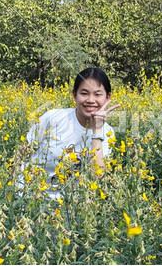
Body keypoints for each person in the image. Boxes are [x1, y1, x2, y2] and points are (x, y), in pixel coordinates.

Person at [19, 67, 120, 199]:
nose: (90, 100)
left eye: (98, 94)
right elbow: (21, 154)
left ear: (108, 98)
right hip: (29, 197)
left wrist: (97, 131)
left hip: (69, 207)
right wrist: (9, 192)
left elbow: (96, 177)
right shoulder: (53, 118)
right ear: (74, 95)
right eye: (84, 93)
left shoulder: (107, 133)